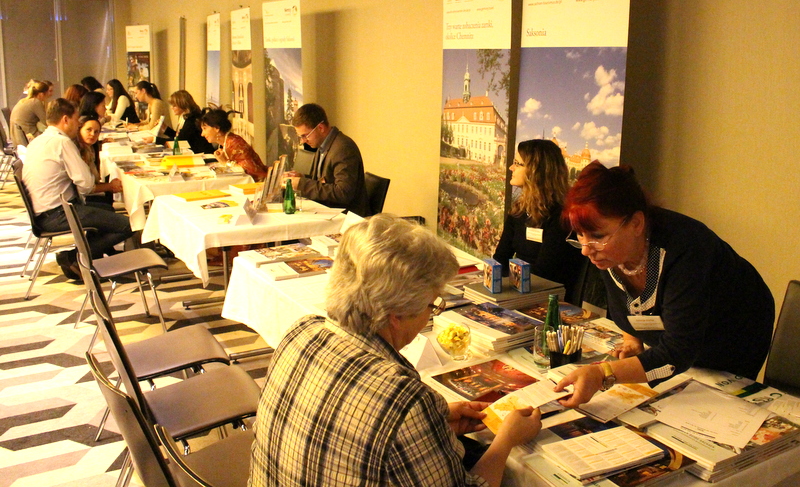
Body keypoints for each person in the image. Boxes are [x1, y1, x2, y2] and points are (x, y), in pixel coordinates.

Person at [248, 214, 542, 487]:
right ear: (397, 314)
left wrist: (431, 424)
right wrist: (506, 439)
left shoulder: (302, 331)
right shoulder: (404, 399)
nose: (431, 314)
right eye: (432, 305)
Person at [554, 162, 775, 408]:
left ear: (636, 224)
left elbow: (679, 351)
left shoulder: (687, 247)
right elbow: (629, 306)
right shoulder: (610, 253)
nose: (585, 250)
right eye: (579, 235)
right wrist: (632, 338)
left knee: (717, 407)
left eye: (597, 236)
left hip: (733, 334)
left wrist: (603, 374)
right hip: (682, 347)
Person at [22, 98, 133, 280]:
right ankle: (73, 257)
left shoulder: (38, 141)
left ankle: (91, 259)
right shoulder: (62, 142)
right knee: (128, 224)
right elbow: (86, 184)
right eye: (76, 120)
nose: (77, 124)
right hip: (57, 212)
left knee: (106, 210)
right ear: (65, 119)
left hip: (42, 210)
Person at [493, 140, 585, 302]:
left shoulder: (561, 215)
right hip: (518, 291)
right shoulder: (519, 210)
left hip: (548, 300)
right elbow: (500, 258)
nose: (511, 168)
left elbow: (544, 274)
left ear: (536, 170)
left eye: (517, 164)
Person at [286, 103, 369, 216]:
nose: (303, 141)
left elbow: (343, 193)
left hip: (346, 217)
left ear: (320, 128)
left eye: (305, 135)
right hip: (329, 212)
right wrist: (301, 178)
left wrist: (302, 184)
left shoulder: (343, 148)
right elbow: (323, 181)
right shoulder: (323, 145)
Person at [198, 109, 268, 180]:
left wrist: (225, 162)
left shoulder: (235, 143)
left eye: (204, 129)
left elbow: (250, 171)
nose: (202, 134)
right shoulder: (226, 142)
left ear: (216, 128)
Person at [76, 93, 121, 203]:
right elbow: (86, 187)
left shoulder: (88, 146)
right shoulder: (80, 150)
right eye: (103, 105)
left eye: (96, 132)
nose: (92, 134)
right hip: (83, 198)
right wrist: (109, 186)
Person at [9, 80, 49, 144]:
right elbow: (46, 122)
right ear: (41, 94)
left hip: (18, 138)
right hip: (29, 137)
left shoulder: (23, 101)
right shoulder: (35, 102)